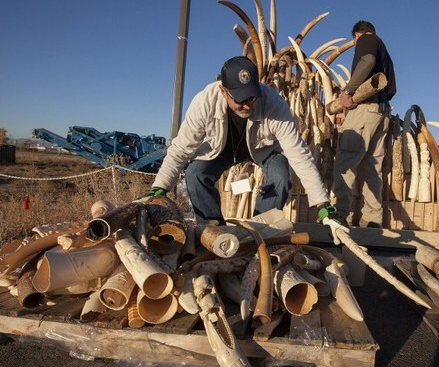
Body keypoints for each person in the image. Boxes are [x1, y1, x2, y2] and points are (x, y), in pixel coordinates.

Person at [148, 56, 347, 244]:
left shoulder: (273, 104)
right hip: (221, 149)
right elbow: (180, 150)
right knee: (195, 173)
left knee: (280, 174)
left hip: (263, 149)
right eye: (240, 99)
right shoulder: (204, 103)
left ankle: (258, 233)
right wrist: (159, 189)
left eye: (251, 98)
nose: (246, 105)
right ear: (223, 91)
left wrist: (323, 206)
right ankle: (214, 231)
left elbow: (299, 154)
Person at [334, 20, 396, 228]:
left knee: (346, 162)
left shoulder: (367, 40)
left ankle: (341, 214)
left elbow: (367, 61)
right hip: (382, 112)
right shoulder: (385, 51)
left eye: (354, 40)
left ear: (356, 34)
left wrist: (348, 91)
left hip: (365, 110)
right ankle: (372, 218)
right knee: (372, 167)